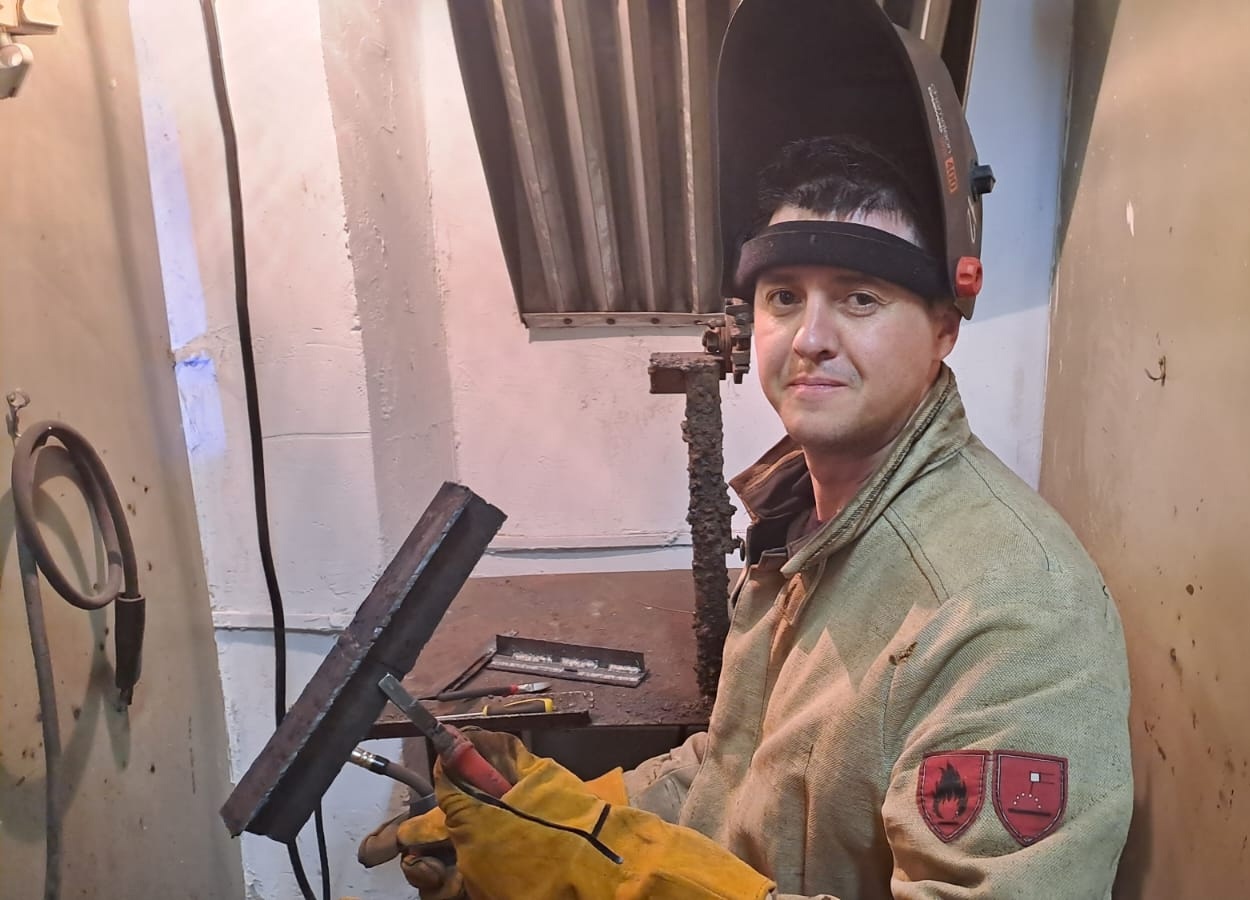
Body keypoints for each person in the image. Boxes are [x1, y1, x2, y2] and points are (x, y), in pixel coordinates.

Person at [362, 1, 1132, 896]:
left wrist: (606, 879)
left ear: (944, 327)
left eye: (860, 298)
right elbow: (731, 775)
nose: (810, 337)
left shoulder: (1013, 617)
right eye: (782, 297)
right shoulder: (807, 533)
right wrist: (562, 820)